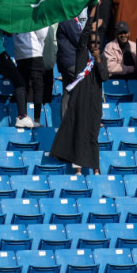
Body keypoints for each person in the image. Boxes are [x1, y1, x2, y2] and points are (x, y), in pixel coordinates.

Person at [50, 15, 108, 175]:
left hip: (95, 102)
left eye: (98, 43)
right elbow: (83, 38)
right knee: (80, 133)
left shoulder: (101, 59)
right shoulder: (82, 56)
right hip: (81, 100)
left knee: (93, 136)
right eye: (92, 43)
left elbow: (104, 77)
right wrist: (92, 15)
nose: (95, 45)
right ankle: (78, 169)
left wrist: (98, 60)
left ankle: (96, 170)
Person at [14, 25, 48, 128]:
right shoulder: (34, 14)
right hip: (34, 53)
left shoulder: (15, 15)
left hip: (19, 55)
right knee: (38, 87)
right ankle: (36, 119)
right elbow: (42, 34)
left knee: (22, 86)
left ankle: (22, 116)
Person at [56, 10, 87, 115]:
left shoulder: (69, 18)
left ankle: (66, 120)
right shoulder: (68, 19)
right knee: (83, 88)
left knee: (68, 91)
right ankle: (82, 119)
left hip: (67, 61)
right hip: (71, 62)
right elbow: (79, 40)